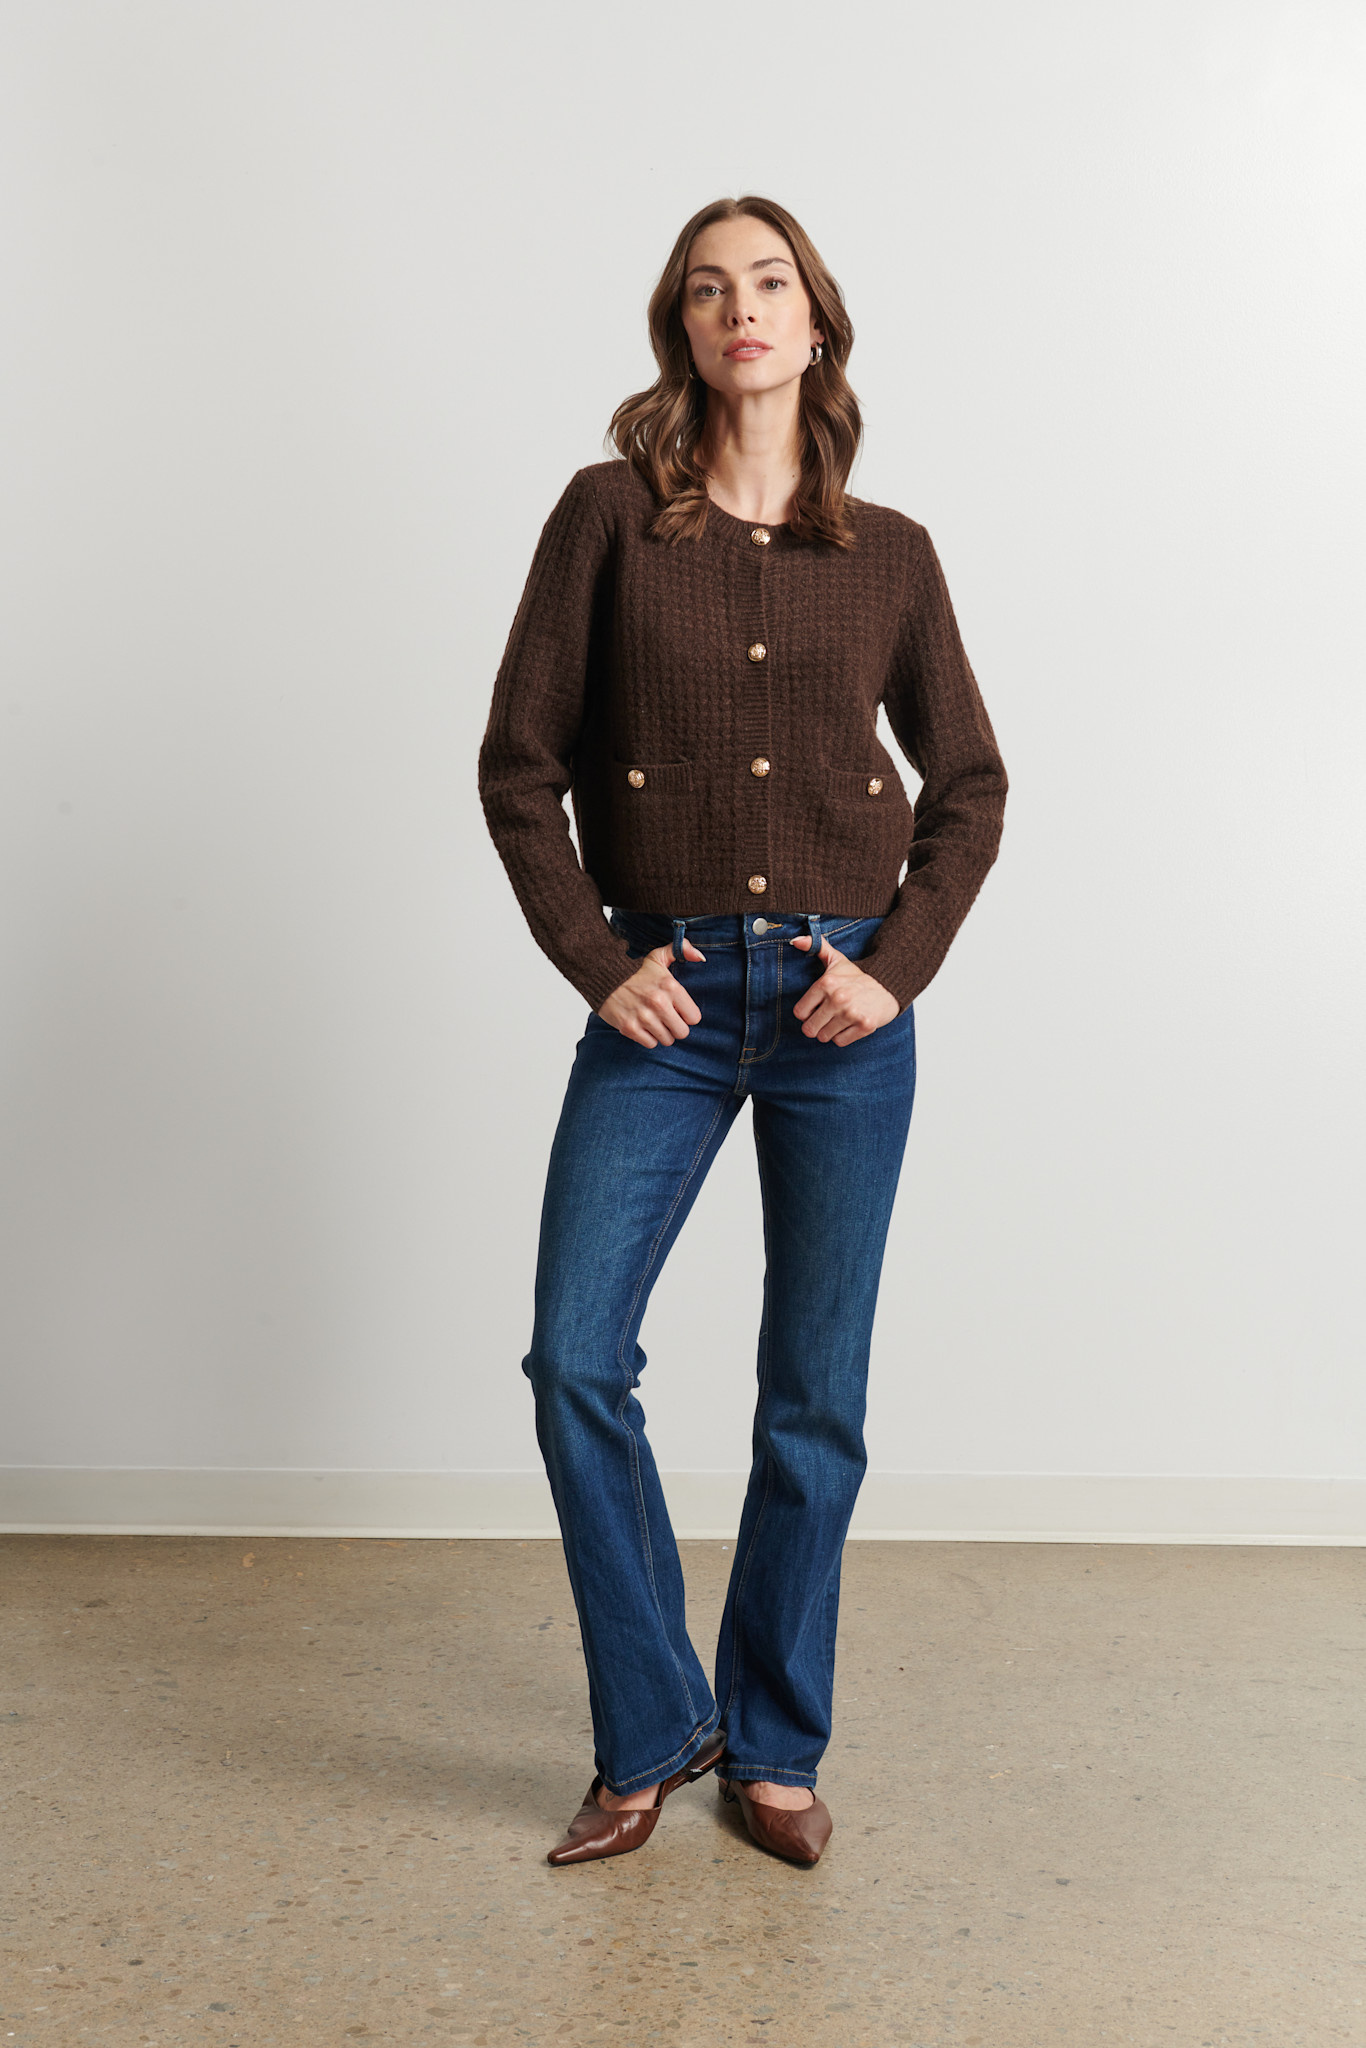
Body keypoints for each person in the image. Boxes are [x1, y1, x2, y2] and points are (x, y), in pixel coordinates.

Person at [477, 195, 1007, 1868]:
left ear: (814, 320)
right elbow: (518, 768)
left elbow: (969, 786)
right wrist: (596, 960)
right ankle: (654, 1728)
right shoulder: (607, 520)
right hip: (672, 996)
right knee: (576, 1358)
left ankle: (772, 1745)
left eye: (767, 281)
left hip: (843, 1006)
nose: (740, 309)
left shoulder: (891, 555)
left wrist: (897, 966)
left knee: (813, 1397)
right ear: (682, 330)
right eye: (707, 290)